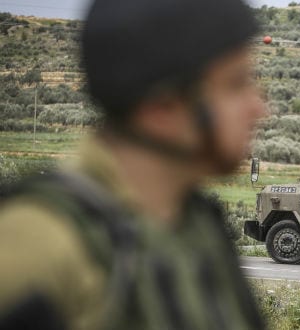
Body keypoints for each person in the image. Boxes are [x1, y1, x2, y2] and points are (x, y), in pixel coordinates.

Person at [0, 0, 266, 328]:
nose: (258, 108)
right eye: (236, 84)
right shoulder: (39, 246)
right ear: (161, 107)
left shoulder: (197, 228)